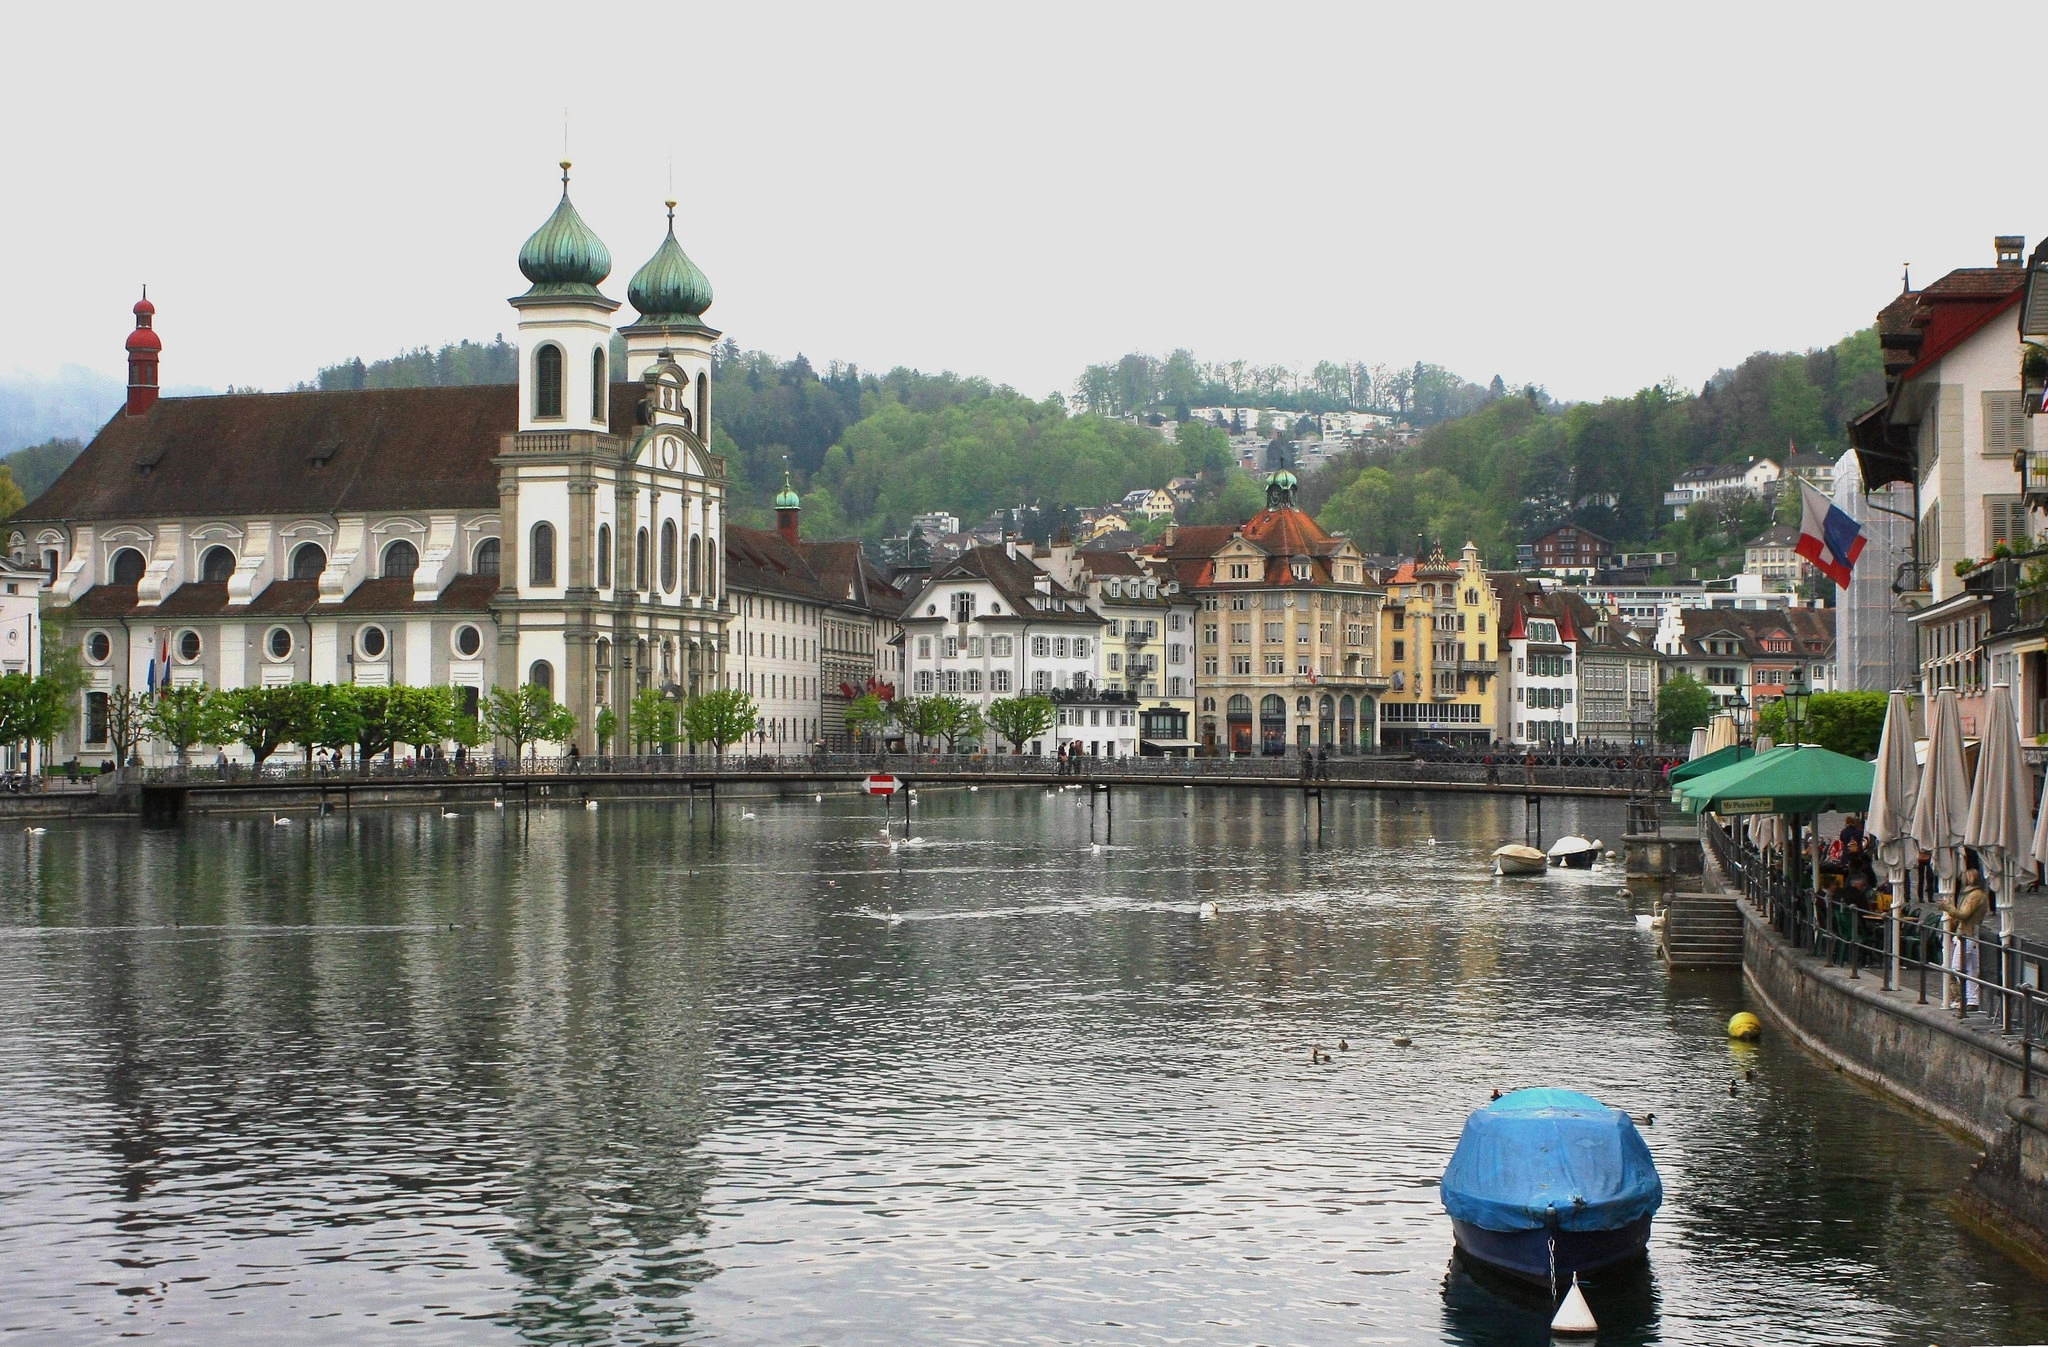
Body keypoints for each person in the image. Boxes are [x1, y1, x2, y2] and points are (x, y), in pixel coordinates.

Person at [1939, 868, 1989, 1010]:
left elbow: (1964, 914)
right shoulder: (1974, 895)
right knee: (1971, 968)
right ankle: (1972, 999)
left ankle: (1963, 998)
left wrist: (1947, 907)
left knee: (1957, 967)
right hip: (1970, 934)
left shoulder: (1975, 896)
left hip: (1967, 935)